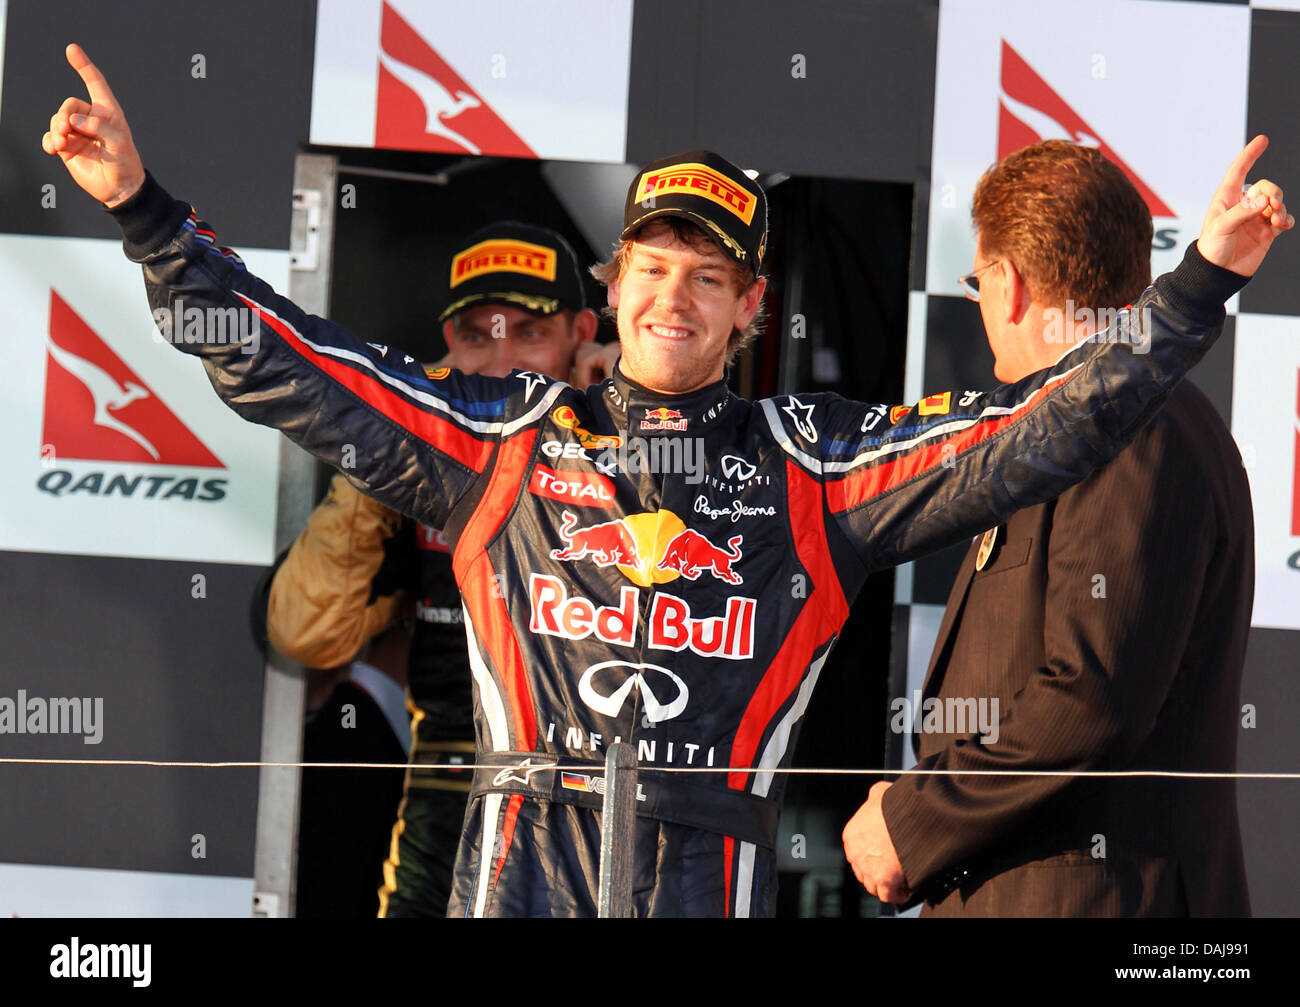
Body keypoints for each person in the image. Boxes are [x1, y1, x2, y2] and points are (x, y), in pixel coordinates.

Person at [44, 43, 1290, 917]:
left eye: (706, 275)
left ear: (751, 306)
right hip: (515, 866)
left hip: (711, 876)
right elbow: (285, 363)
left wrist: (1194, 292)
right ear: (612, 287)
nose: (671, 296)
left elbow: (1045, 424)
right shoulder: (505, 439)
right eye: (650, 265)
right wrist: (147, 215)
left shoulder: (816, 460)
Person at [842, 140, 1256, 917]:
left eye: (976, 280)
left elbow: (1091, 696)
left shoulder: (1136, 427)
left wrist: (913, 820)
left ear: (1011, 284)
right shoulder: (1067, 429)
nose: (979, 300)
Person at [264, 222, 603, 917]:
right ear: (448, 346)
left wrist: (631, 418)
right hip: (450, 798)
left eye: (528, 332)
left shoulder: (640, 439)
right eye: (477, 335)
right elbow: (304, 631)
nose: (501, 360)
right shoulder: (427, 470)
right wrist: (388, 449)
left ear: (583, 333)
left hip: (598, 814)